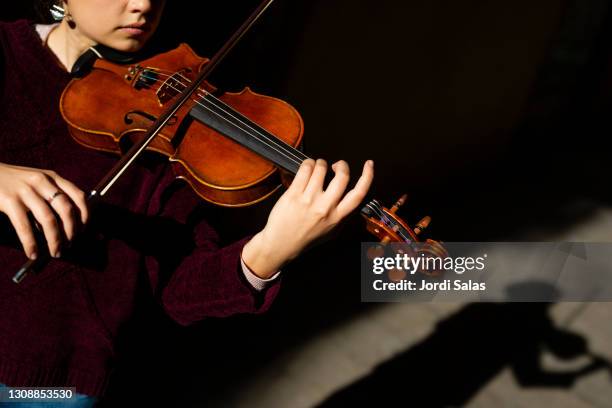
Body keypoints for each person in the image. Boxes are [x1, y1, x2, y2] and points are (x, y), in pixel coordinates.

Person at [0, 0, 374, 406]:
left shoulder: (176, 108)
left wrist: (271, 250)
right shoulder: (5, 53)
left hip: (54, 385)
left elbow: (178, 286)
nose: (143, 3)